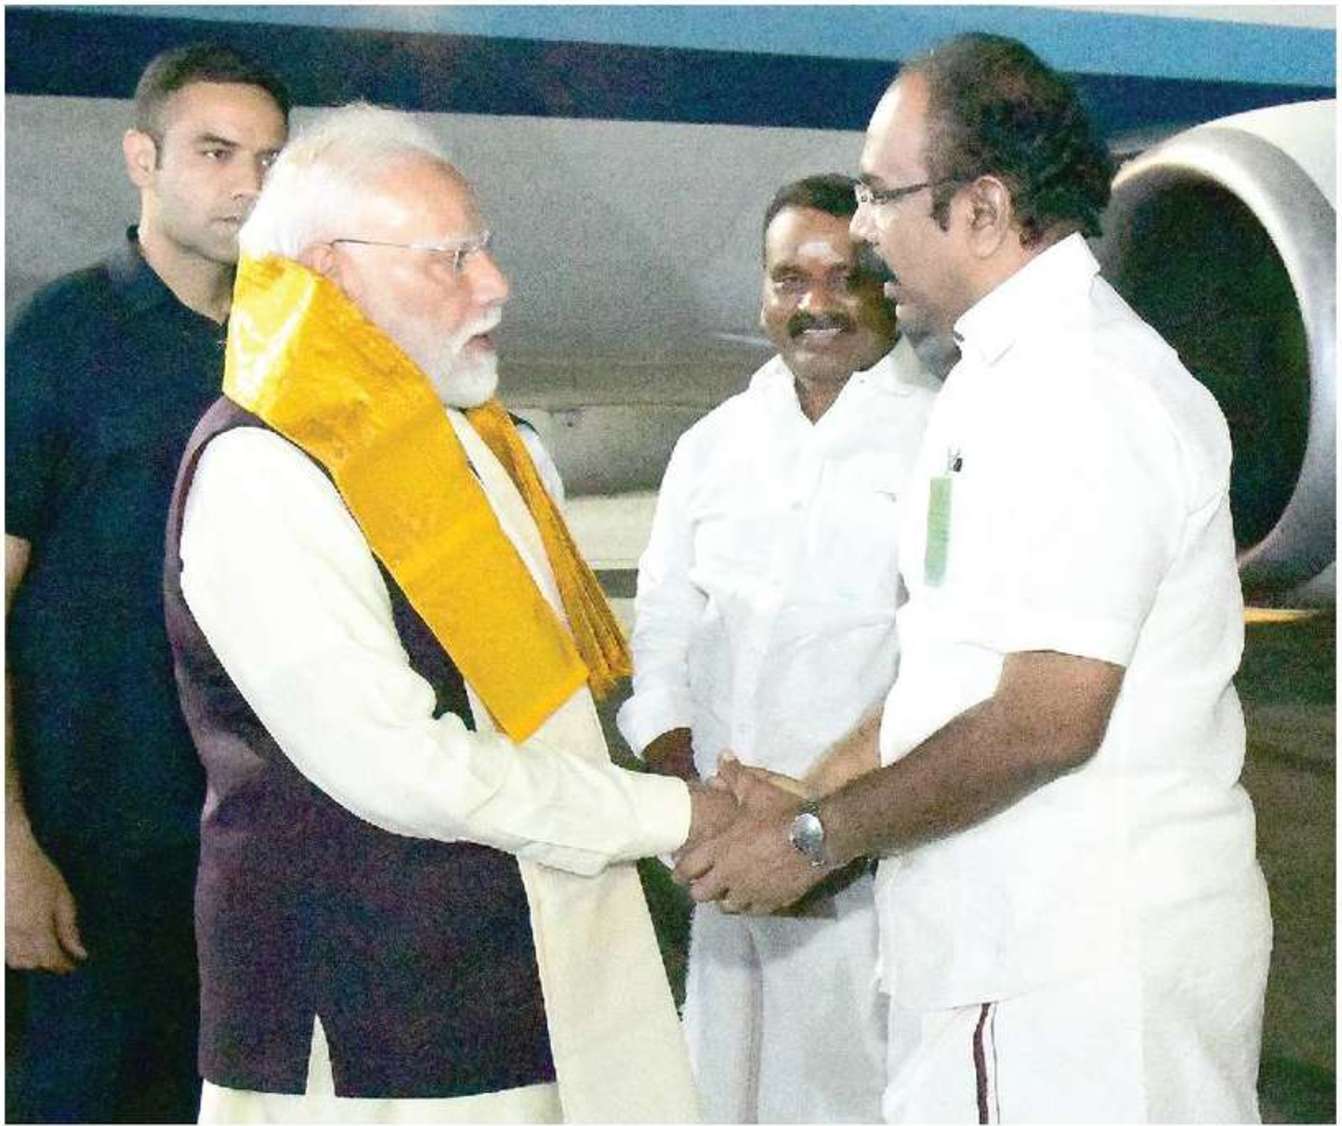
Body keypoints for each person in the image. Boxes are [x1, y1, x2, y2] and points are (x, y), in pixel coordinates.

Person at [676, 33, 1272, 1124]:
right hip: (1005, 958)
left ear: (985, 209)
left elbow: (1047, 718)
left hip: (1070, 978)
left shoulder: (1083, 393)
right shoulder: (995, 379)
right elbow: (948, 669)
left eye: (880, 193)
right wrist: (812, 788)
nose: (862, 229)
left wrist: (815, 841)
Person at [162, 102, 736, 1123]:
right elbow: (398, 766)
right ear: (334, 274)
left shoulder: (472, 441)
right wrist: (675, 814)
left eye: (484, 250)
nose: (495, 284)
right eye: (452, 258)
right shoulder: (263, 471)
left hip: (525, 980)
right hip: (373, 1026)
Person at [5, 44, 289, 1124]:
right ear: (142, 158)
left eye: (268, 159)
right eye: (215, 153)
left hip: (251, 848)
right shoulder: (60, 337)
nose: (247, 185)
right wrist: (8, 846)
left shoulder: (292, 340)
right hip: (90, 857)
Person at [617, 173, 938, 1122]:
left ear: (887, 287)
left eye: (845, 276)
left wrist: (828, 824)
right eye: (789, 279)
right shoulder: (713, 445)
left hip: (870, 863)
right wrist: (684, 782)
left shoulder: (944, 440)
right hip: (723, 853)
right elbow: (666, 622)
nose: (815, 304)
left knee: (857, 1091)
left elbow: (951, 662)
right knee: (722, 1085)